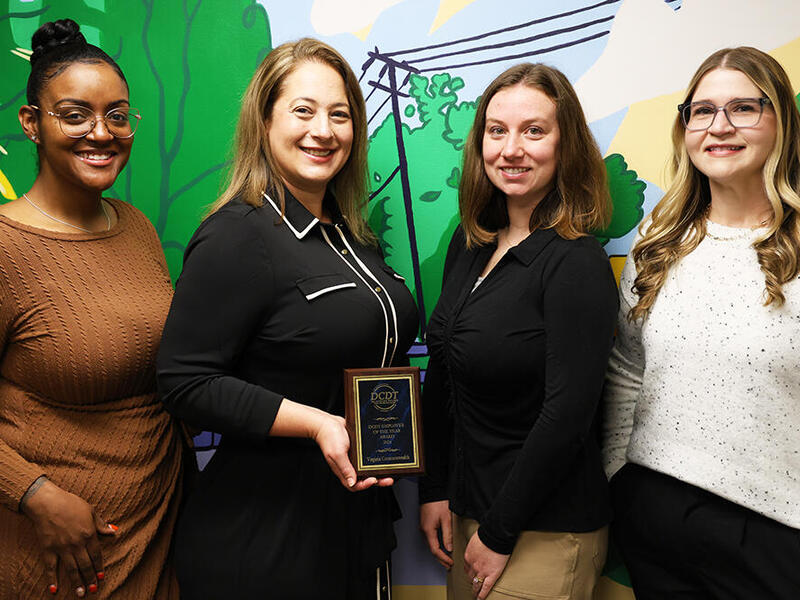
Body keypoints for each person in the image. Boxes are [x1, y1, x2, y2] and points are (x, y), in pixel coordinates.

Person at [156, 37, 418, 600]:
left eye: (340, 114)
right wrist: (318, 422)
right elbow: (183, 381)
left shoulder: (349, 236)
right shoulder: (237, 234)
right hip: (267, 538)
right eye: (303, 110)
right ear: (265, 121)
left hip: (353, 522)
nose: (323, 130)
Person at [603, 47, 800, 599]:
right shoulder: (657, 245)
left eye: (743, 108)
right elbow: (627, 369)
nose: (720, 126)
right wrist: (620, 477)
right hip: (656, 516)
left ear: (781, 119)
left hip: (776, 531)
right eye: (703, 110)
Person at [418, 63, 618, 600]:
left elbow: (567, 416)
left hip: (541, 530)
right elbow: (443, 375)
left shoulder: (577, 263)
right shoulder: (469, 244)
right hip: (468, 516)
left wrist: (500, 529)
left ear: (565, 143)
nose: (511, 149)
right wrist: (435, 488)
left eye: (534, 130)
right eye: (497, 130)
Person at [0, 18, 184, 600]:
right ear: (32, 123)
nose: (100, 134)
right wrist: (36, 494)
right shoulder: (7, 249)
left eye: (117, 115)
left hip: (158, 532)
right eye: (74, 114)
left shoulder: (137, 229)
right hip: (58, 557)